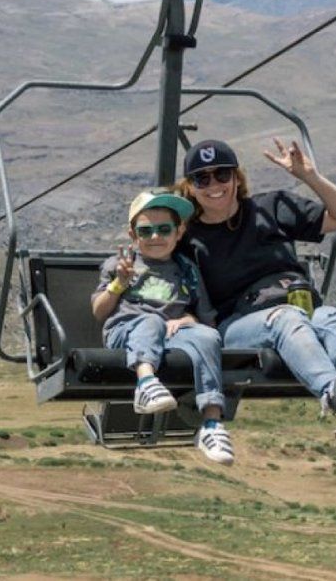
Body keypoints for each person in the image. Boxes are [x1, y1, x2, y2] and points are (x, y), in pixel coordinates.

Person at [175, 138, 336, 434]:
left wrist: (310, 177)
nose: (214, 185)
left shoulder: (270, 208)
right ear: (190, 187)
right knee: (285, 319)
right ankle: (335, 393)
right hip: (239, 325)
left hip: (300, 305)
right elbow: (159, 266)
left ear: (236, 178)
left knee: (331, 316)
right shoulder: (188, 237)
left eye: (222, 175)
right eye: (202, 179)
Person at [91, 189, 234, 465]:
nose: (155, 237)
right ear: (133, 235)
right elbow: (99, 311)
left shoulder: (186, 270)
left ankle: (211, 424)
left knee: (207, 337)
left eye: (164, 229)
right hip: (127, 333)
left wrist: (188, 320)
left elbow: (206, 318)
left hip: (170, 334)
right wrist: (119, 284)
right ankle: (145, 383)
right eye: (146, 231)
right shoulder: (121, 265)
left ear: (179, 232)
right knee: (152, 321)